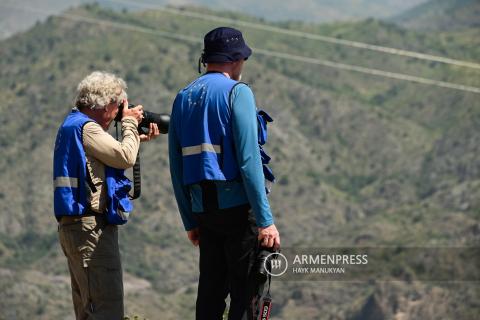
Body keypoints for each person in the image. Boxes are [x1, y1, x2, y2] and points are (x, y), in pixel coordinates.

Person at [168, 27, 281, 320]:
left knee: (210, 294)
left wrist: (189, 220)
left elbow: (176, 166)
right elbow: (248, 161)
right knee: (246, 297)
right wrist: (266, 220)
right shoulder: (237, 93)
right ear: (235, 59)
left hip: (204, 212)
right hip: (239, 211)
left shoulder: (183, 97)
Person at [53, 71, 159, 319]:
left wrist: (135, 139)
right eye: (118, 107)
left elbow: (104, 158)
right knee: (106, 308)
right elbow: (124, 158)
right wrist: (130, 123)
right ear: (106, 104)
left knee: (88, 309)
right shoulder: (87, 128)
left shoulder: (72, 125)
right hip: (90, 229)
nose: (117, 115)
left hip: (76, 228)